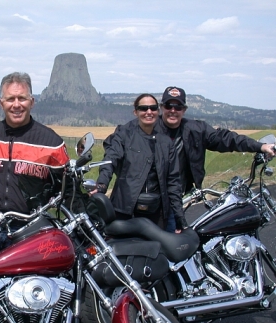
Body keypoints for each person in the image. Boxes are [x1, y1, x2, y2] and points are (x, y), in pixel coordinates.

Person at [0, 72, 70, 266]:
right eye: (10, 99)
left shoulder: (51, 142)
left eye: (22, 98)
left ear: (32, 102)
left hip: (31, 233)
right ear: (1, 103)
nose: (16, 104)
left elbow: (67, 191)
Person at [156, 86, 276, 232]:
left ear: (184, 109)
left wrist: (260, 146)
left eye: (178, 106)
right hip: (154, 200)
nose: (173, 110)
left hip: (178, 198)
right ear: (162, 107)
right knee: (169, 246)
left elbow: (226, 139)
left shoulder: (195, 129)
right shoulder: (149, 129)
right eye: (169, 105)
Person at [95, 93, 187, 231]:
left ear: (158, 111)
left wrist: (180, 220)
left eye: (153, 108)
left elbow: (173, 182)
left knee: (156, 250)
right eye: (143, 108)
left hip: (156, 214)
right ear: (136, 112)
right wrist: (101, 184)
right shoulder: (124, 135)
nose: (149, 112)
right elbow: (110, 159)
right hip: (125, 210)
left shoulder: (166, 142)